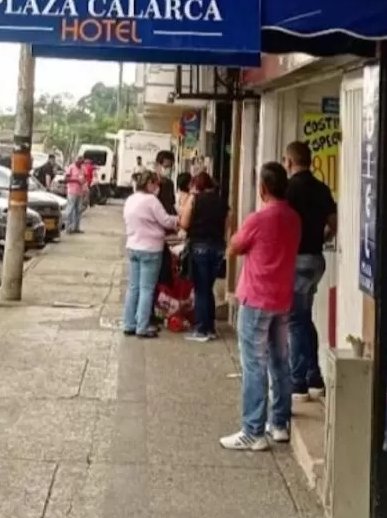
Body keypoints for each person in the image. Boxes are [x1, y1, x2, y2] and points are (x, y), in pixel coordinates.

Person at [220, 161, 301, 451]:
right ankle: (278, 423)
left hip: (256, 299)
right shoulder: (293, 218)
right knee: (280, 360)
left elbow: (234, 247)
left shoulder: (258, 218)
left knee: (254, 363)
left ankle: (253, 430)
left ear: (263, 188)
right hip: (282, 299)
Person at [283, 140, 336, 403]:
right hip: (316, 259)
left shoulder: (288, 190)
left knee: (294, 320)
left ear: (289, 162)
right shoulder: (322, 189)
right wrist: (321, 237)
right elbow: (333, 223)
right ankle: (314, 377)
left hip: (296, 260)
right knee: (304, 318)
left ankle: (298, 381)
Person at [122, 171, 178, 337]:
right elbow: (165, 220)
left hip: (133, 247)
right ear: (150, 184)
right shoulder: (151, 201)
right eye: (156, 184)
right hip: (151, 249)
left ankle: (129, 324)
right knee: (147, 289)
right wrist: (178, 220)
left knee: (133, 288)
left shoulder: (131, 199)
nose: (157, 187)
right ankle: (142, 326)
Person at [180, 170, 228, 342]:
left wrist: (189, 199)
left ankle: (201, 329)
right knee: (209, 288)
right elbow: (228, 225)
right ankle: (210, 327)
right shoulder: (221, 201)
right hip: (217, 247)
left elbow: (184, 223)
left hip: (199, 246)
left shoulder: (195, 199)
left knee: (200, 288)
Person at [65, 159, 85, 235]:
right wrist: (76, 180)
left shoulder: (82, 168)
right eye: (79, 164)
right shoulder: (71, 167)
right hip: (72, 191)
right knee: (70, 209)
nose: (80, 165)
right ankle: (68, 227)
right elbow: (66, 179)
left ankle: (76, 227)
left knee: (79, 210)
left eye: (81, 164)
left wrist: (83, 182)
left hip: (80, 191)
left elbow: (84, 177)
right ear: (76, 162)